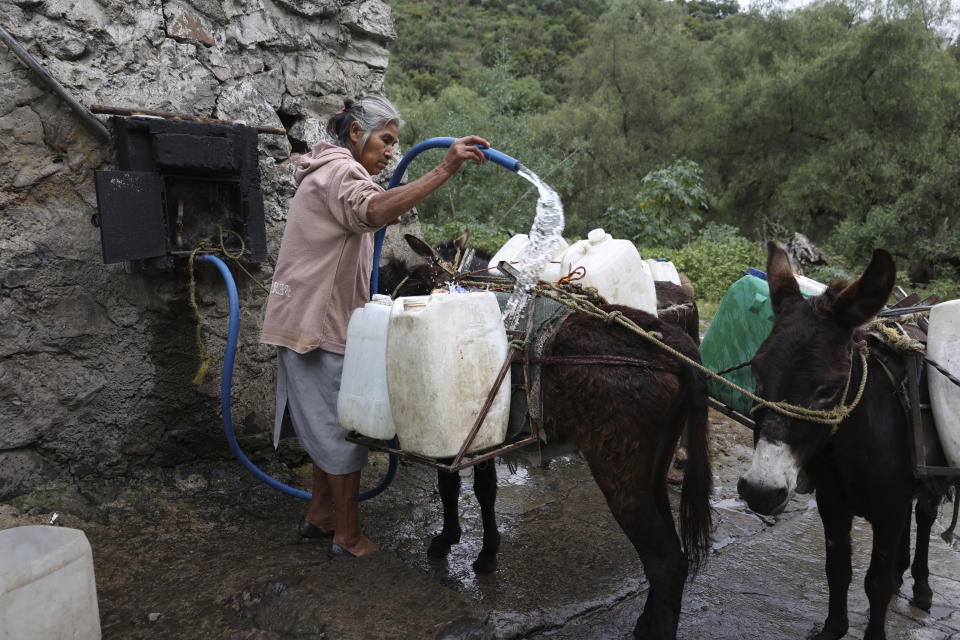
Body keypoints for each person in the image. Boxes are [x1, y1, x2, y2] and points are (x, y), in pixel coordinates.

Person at [260, 94, 490, 558]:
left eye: (395, 143)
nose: (390, 151)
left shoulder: (328, 171)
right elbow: (373, 211)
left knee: (327, 427)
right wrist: (444, 169)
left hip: (309, 318)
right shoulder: (340, 172)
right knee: (344, 430)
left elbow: (373, 209)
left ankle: (321, 516)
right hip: (317, 323)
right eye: (385, 139)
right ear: (354, 133)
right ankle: (347, 536)